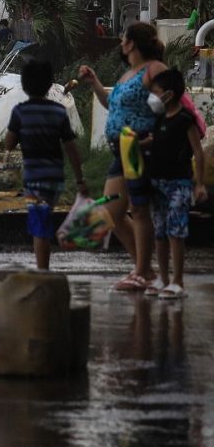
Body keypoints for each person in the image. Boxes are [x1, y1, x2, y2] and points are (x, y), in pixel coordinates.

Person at [78, 22, 169, 292]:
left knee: (140, 209)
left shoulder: (155, 70)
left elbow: (170, 104)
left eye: (123, 39)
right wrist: (94, 83)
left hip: (141, 147)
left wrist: (157, 136)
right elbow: (111, 105)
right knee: (111, 212)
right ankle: (142, 268)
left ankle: (143, 272)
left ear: (133, 43)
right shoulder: (127, 74)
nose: (120, 43)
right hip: (121, 150)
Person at [6, 59, 90, 270]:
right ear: (49, 85)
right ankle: (44, 265)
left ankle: (43, 271)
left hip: (33, 178)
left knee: (39, 226)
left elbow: (8, 143)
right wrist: (80, 179)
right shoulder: (58, 112)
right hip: (55, 178)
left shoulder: (20, 112)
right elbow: (71, 148)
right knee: (43, 218)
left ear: (25, 85)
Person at [141, 69, 207, 299]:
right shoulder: (158, 119)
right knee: (159, 232)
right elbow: (153, 141)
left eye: (156, 92)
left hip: (179, 183)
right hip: (156, 182)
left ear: (168, 94)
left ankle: (178, 281)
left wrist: (199, 184)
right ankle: (163, 279)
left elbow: (198, 153)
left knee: (175, 232)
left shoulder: (185, 120)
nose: (153, 96)